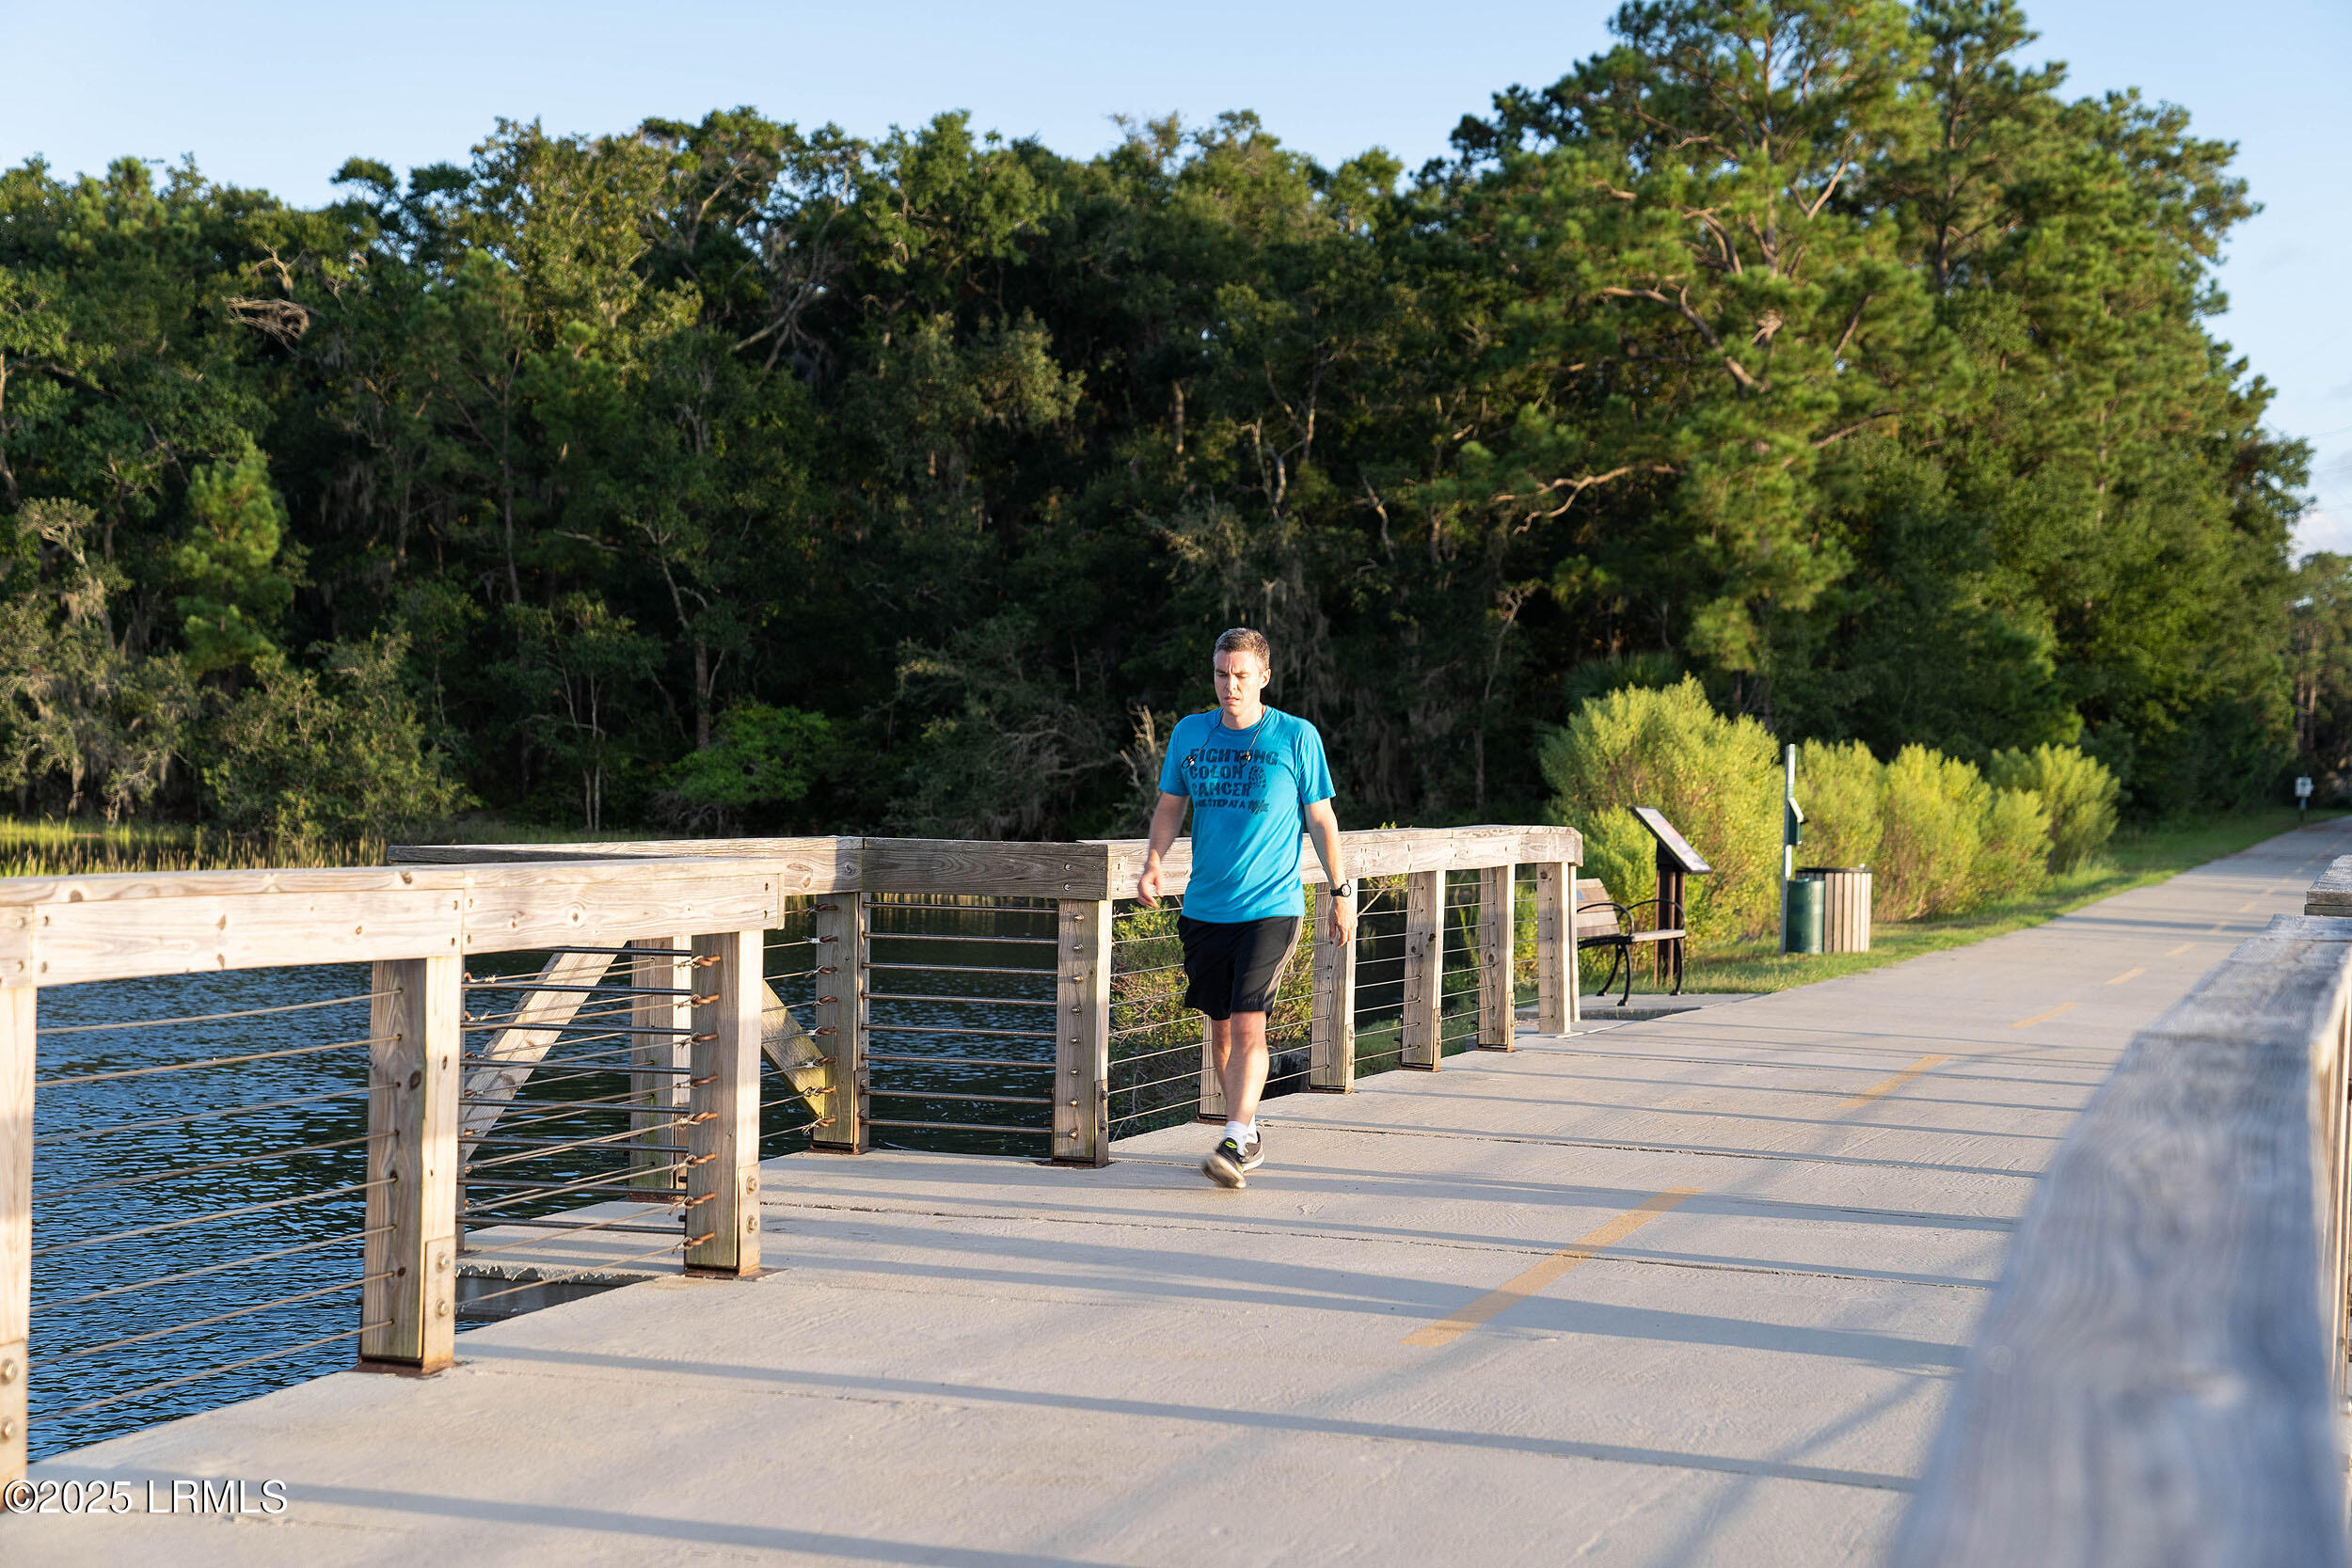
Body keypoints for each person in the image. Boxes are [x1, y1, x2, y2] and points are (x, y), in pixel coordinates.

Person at [1137, 627, 1355, 1189]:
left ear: (1263, 676)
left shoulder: (1295, 737)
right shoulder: (1190, 734)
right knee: (1221, 1030)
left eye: (1240, 675)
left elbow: (1322, 821)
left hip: (1271, 906)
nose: (1229, 685)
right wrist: (1154, 861)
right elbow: (1168, 806)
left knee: (1249, 1021)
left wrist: (1340, 890)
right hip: (1206, 908)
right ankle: (1248, 1130)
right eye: (1220, 674)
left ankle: (1233, 1138)